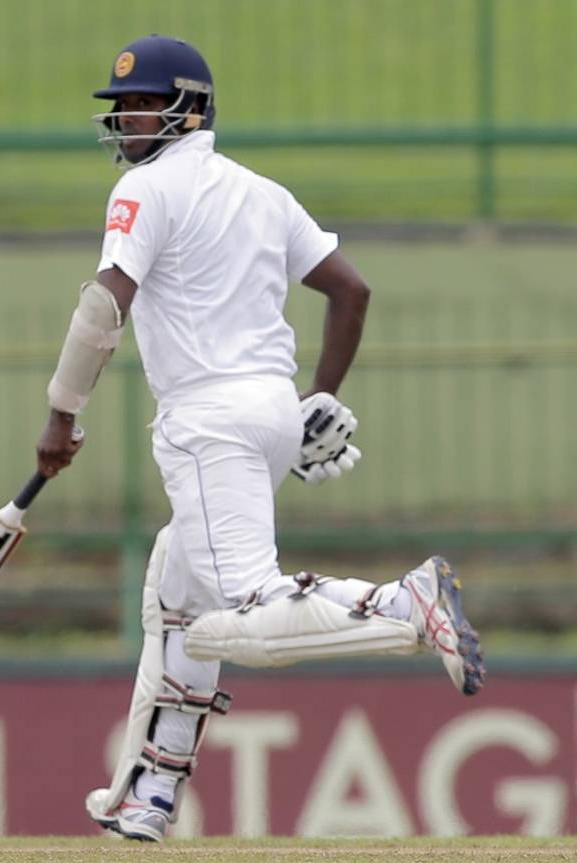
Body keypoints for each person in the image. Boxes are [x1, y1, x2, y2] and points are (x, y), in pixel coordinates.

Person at [32, 35, 486, 844]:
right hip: (270, 413)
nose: (129, 117)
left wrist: (61, 413)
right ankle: (149, 791)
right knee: (176, 593)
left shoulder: (145, 189)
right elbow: (351, 290)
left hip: (208, 423)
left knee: (243, 615)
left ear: (191, 108)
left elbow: (105, 306)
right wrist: (317, 401)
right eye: (122, 105)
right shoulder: (261, 192)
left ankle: (401, 604)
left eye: (144, 102)